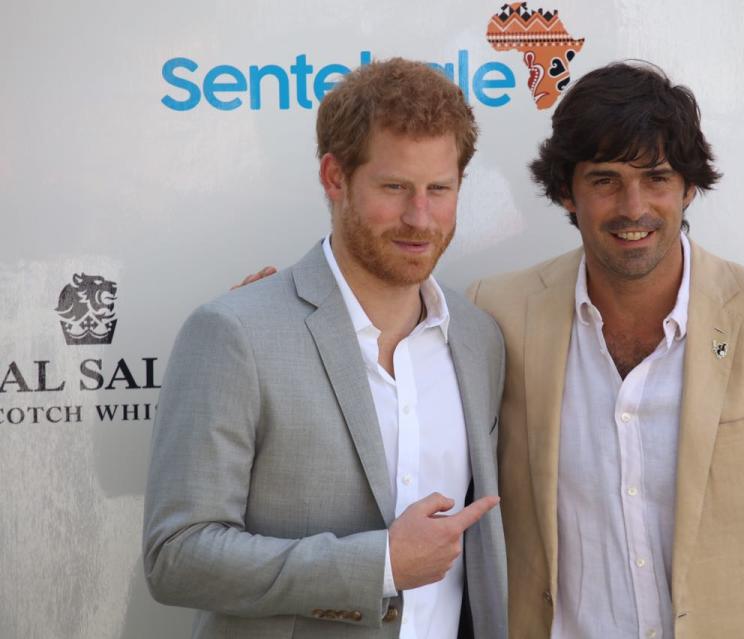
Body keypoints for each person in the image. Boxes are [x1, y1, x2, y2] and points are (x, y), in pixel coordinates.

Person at [467, 61, 744, 638]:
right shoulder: (497, 315)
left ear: (689, 187)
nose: (634, 207)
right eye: (605, 180)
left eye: (657, 178)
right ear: (566, 193)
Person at [142, 58, 507, 639]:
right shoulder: (235, 332)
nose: (421, 217)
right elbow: (176, 556)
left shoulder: (478, 337)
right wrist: (381, 564)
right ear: (334, 178)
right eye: (394, 188)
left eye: (440, 189)